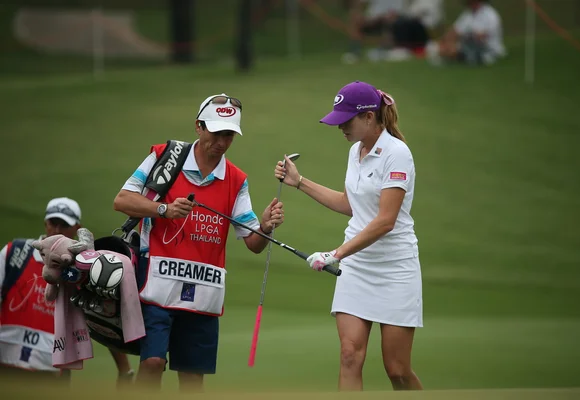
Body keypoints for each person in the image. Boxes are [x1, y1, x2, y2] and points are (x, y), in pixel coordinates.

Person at [113, 93, 285, 392]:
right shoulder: (164, 156)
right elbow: (122, 200)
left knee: (192, 379)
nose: (221, 141)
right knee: (152, 363)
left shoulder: (235, 179)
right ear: (199, 127)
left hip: (203, 293)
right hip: (156, 285)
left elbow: (253, 243)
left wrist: (267, 226)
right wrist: (163, 209)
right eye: (216, 132)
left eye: (229, 134)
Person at [274, 81, 423, 391]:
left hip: (395, 267)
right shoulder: (356, 151)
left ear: (369, 117)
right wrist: (299, 182)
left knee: (397, 370)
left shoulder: (397, 153)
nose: (340, 126)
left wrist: (336, 253)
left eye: (346, 120)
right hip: (357, 267)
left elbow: (385, 221)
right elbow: (350, 204)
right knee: (349, 356)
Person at [0, 197, 134, 385]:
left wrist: (124, 370)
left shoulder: (83, 268)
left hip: (53, 371)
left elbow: (101, 318)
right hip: (6, 363)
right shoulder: (14, 253)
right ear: (45, 223)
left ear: (77, 227)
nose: (57, 230)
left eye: (64, 224)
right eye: (53, 223)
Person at [429, 0, 506, 66]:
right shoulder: (468, 14)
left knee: (455, 49)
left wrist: (465, 36)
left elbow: (483, 36)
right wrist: (444, 41)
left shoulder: (490, 14)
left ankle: (479, 57)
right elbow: (455, 30)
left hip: (488, 46)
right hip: (469, 43)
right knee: (448, 47)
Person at [342, 0, 408, 63]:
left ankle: (385, 50)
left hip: (386, 19)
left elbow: (395, 13)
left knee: (389, 21)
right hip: (372, 19)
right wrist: (358, 13)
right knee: (356, 21)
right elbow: (360, 3)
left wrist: (378, 18)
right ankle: (355, 52)